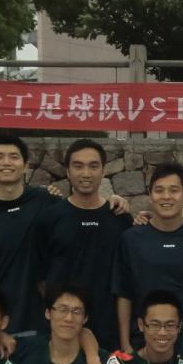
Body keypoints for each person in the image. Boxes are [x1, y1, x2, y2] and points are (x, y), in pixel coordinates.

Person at [35, 139, 133, 350]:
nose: (86, 173)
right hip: (62, 328)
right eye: (78, 166)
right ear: (68, 172)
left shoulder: (120, 218)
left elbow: (126, 278)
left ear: (103, 170)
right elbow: (41, 277)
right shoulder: (49, 218)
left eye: (93, 166)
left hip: (107, 328)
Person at [113, 163, 183, 352]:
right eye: (159, 190)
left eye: (174, 190)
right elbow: (124, 293)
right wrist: (125, 344)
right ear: (150, 196)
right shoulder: (131, 239)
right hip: (144, 342)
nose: (166, 196)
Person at [0, 135, 56, 334]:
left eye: (14, 156)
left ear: (25, 165)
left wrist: (113, 200)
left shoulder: (45, 200)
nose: (6, 162)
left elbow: (79, 210)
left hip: (36, 317)